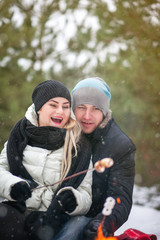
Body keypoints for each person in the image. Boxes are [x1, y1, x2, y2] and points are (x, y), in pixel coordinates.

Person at [0, 80, 92, 240]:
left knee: (78, 226)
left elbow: (85, 194)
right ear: (39, 107)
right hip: (19, 212)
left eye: (65, 106)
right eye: (53, 105)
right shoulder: (18, 137)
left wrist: (74, 200)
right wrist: (12, 185)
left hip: (56, 218)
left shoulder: (78, 146)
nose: (61, 111)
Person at [62, 76, 135, 240]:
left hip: (88, 218)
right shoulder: (61, 132)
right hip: (53, 210)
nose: (87, 116)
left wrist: (101, 224)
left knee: (72, 229)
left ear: (104, 111)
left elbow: (119, 198)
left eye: (95, 108)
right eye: (81, 107)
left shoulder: (120, 146)